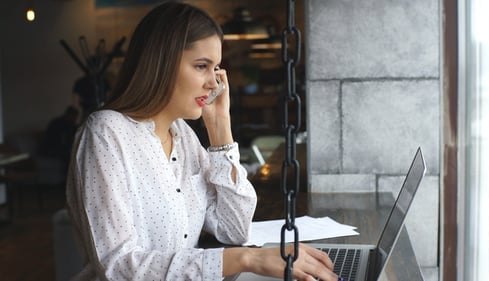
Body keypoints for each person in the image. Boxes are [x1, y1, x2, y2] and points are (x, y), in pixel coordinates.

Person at [65, 2, 340, 281]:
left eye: (216, 68)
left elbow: (234, 228)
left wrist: (220, 127)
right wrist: (246, 258)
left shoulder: (183, 135)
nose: (214, 83)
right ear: (160, 63)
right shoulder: (106, 133)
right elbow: (119, 267)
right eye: (201, 66)